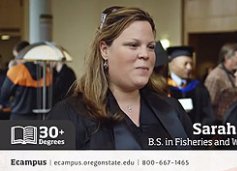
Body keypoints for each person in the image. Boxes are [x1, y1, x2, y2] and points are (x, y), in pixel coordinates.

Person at [47, 6, 193, 150]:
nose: (145, 54)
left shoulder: (171, 110)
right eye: (133, 45)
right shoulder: (68, 115)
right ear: (104, 50)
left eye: (150, 46)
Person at [0, 41, 53, 120]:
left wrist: (14, 104)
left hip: (18, 117)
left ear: (20, 54)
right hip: (40, 117)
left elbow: (2, 97)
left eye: (16, 56)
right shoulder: (47, 72)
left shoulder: (15, 71)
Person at [167, 46, 214, 126]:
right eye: (185, 64)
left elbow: (208, 116)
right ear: (172, 65)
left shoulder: (198, 87)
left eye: (191, 64)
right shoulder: (164, 87)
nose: (189, 67)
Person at [204, 42, 237, 124]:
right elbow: (208, 104)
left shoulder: (235, 73)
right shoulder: (215, 77)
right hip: (221, 124)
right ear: (227, 58)